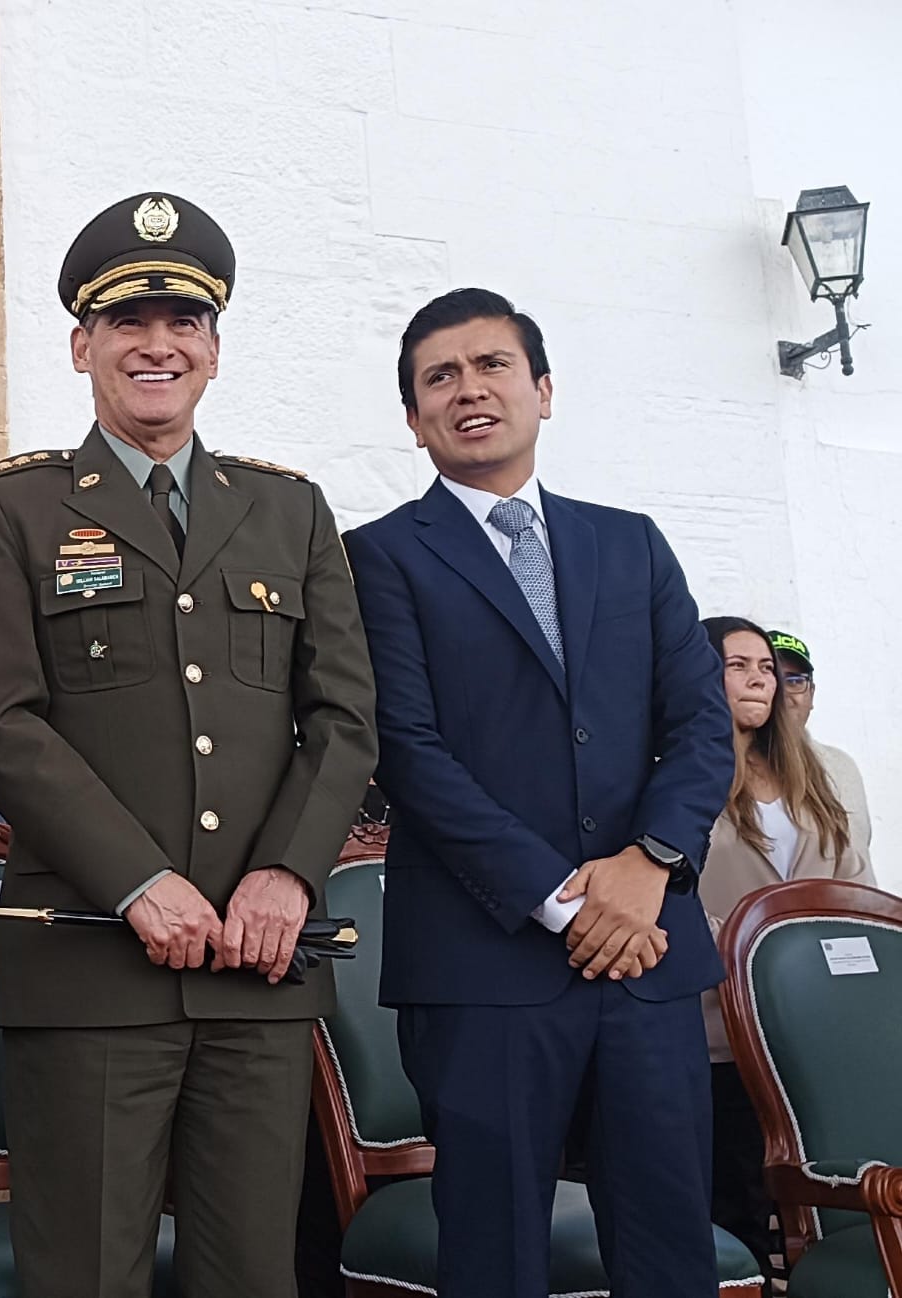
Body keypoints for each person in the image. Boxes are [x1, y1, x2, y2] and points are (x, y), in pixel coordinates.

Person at [0, 193, 379, 1298]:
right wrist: (139, 879)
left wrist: (285, 873)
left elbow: (342, 715)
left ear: (215, 351)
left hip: (259, 963)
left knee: (251, 1277)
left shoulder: (291, 511)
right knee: (86, 1274)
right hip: (90, 962)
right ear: (82, 346)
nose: (157, 345)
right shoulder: (13, 507)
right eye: (128, 323)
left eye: (183, 322)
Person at [343, 287, 735, 1297]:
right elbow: (408, 750)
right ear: (412, 416)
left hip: (646, 961)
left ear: (542, 390)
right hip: (485, 969)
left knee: (668, 1253)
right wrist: (567, 898)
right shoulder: (377, 557)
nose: (468, 390)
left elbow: (697, 726)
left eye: (491, 366)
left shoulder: (631, 542)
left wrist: (648, 864)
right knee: (494, 1256)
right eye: (440, 377)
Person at [698, 615, 873, 1277]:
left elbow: (854, 884)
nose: (759, 679)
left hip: (824, 1031)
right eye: (737, 665)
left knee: (834, 1191)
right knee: (741, 1201)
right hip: (725, 1029)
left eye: (766, 667)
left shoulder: (814, 775)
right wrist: (760, 966)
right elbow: (673, 896)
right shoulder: (681, 771)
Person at [766, 628, 873, 855]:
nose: (784, 693)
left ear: (811, 695)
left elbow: (858, 855)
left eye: (795, 681)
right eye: (773, 677)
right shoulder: (724, 767)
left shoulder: (840, 767)